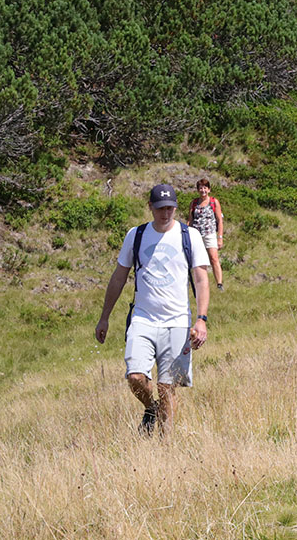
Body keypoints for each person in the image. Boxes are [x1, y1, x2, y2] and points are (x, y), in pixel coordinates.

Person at [95, 184, 211, 435]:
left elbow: (201, 279)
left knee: (167, 386)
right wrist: (104, 317)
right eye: (160, 208)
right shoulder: (135, 235)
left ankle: (165, 447)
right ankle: (151, 408)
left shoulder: (189, 236)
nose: (165, 213)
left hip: (177, 320)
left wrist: (201, 319)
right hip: (143, 318)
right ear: (150, 207)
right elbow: (118, 277)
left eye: (170, 208)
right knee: (135, 377)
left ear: (176, 208)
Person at [189, 178, 225, 290]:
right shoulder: (194, 203)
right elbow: (190, 220)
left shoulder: (214, 202)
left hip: (210, 234)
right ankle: (199, 283)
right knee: (197, 260)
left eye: (205, 188)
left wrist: (220, 237)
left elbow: (219, 220)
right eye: (200, 188)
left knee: (214, 258)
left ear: (208, 189)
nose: (203, 190)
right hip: (196, 234)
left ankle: (219, 284)